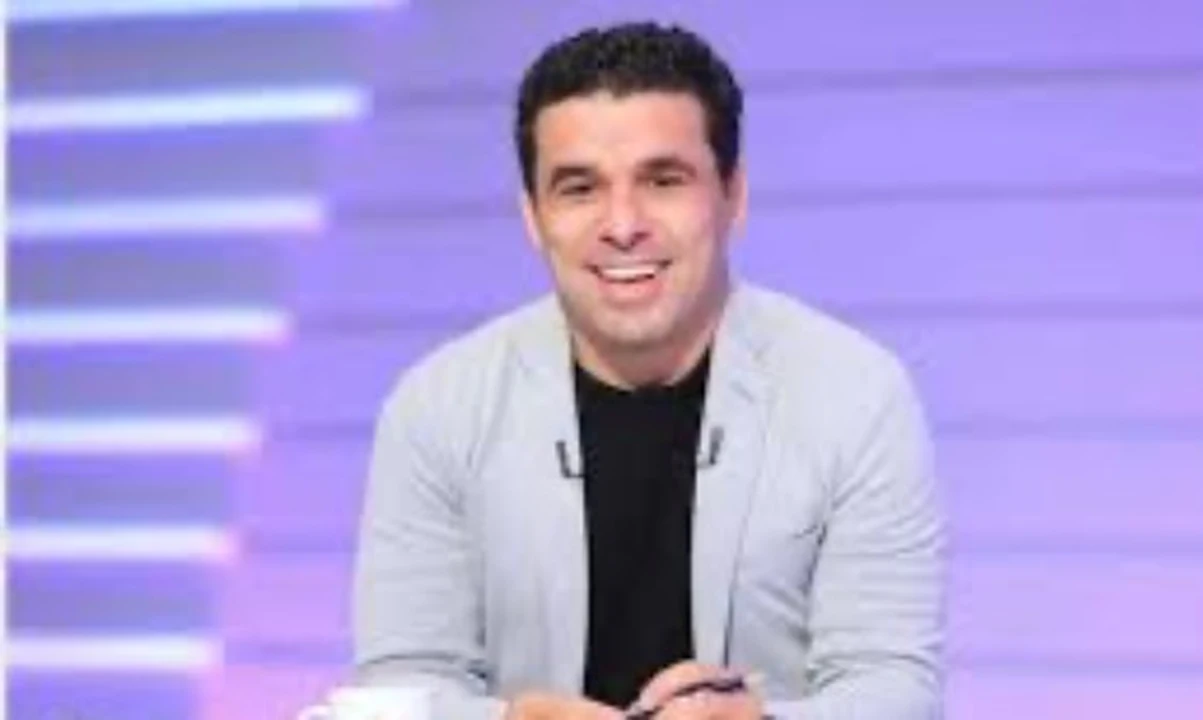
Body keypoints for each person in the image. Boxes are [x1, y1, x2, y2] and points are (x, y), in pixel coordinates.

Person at [353, 21, 944, 720]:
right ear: (533, 217)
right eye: (579, 188)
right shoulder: (438, 407)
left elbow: (893, 691)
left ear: (733, 196)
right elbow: (400, 692)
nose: (623, 224)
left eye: (663, 181)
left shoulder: (856, 395)